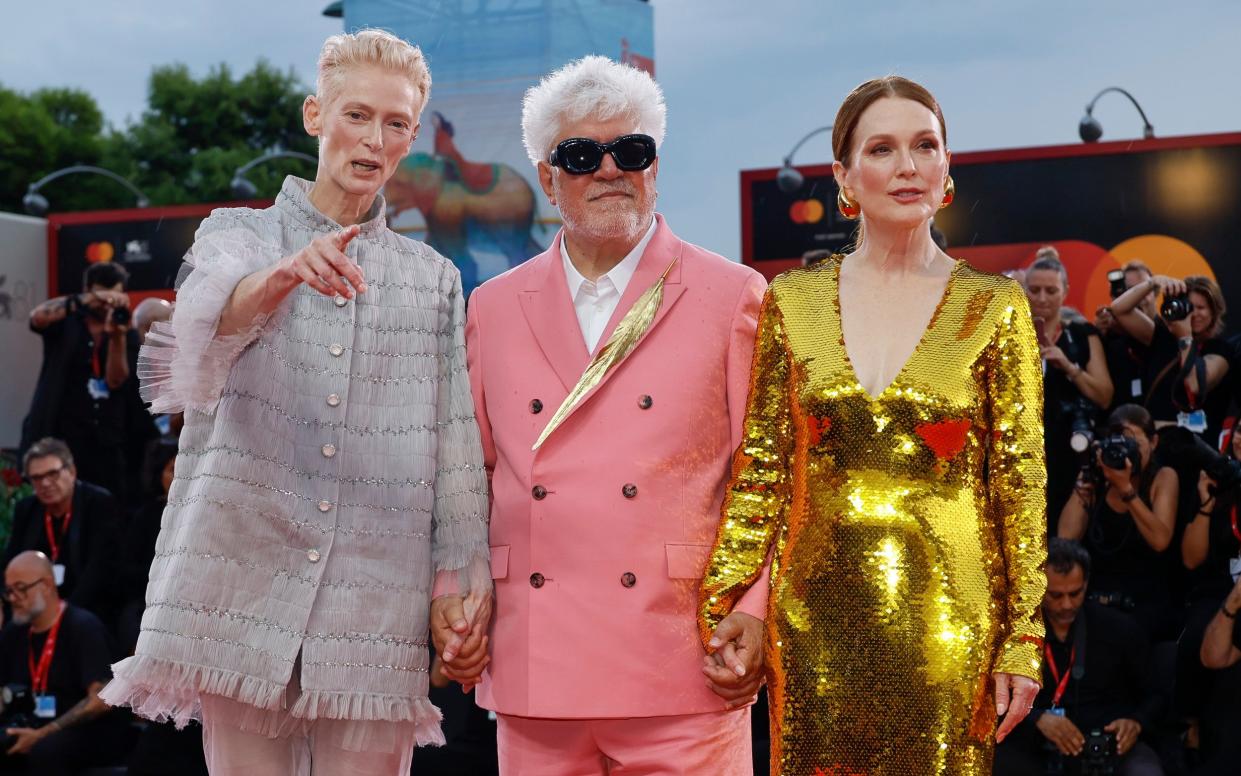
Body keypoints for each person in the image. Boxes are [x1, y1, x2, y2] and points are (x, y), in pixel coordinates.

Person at [98, 29, 492, 775]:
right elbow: (194, 355)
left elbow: (454, 444)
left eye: (396, 123)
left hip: (375, 599)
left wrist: (462, 586)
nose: (374, 139)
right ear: (316, 116)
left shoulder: (433, 278)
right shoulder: (237, 234)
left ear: (412, 138)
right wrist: (277, 278)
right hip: (239, 578)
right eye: (356, 115)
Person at [699, 76, 1046, 775]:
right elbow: (762, 468)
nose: (907, 166)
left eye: (925, 146)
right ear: (844, 177)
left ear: (946, 167)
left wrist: (1021, 639)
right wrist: (731, 598)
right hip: (812, 623)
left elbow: (1020, 486)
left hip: (951, 625)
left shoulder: (994, 308)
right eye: (882, 149)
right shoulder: (790, 304)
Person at [465, 56, 767, 775]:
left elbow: (767, 479)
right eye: (580, 155)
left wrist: (754, 607)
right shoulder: (492, 307)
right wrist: (455, 594)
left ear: (654, 164)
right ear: (546, 178)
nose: (609, 170)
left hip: (686, 657)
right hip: (534, 662)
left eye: (630, 150)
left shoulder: (733, 296)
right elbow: (465, 476)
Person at [993, 539, 1165, 776]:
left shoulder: (1119, 628)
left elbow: (1156, 695)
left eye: (1075, 593)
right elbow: (994, 698)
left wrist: (1135, 723)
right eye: (1055, 595)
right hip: (1035, 747)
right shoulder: (1016, 634)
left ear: (1086, 584)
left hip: (1109, 746)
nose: (1066, 605)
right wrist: (1035, 718)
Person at [0, 551, 128, 774]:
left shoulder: (83, 626)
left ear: (47, 585)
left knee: (46, 751)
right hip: (33, 722)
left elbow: (101, 700)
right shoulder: (14, 633)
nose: (12, 598)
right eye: (8, 591)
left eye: (20, 589)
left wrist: (43, 733)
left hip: (87, 730)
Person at [1057, 404, 1179, 639]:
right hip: (1098, 597)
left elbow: (1160, 540)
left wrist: (1126, 489)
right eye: (1120, 443)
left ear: (1153, 443)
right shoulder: (1101, 476)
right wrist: (1086, 479)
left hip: (1145, 601)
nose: (1127, 454)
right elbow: (1065, 538)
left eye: (1134, 445)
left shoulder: (1164, 477)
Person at [22, 262, 138, 500]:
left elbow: (116, 381)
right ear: (87, 290)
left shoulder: (125, 329)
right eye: (101, 294)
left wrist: (118, 337)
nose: (107, 302)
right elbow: (37, 318)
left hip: (107, 439)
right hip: (60, 433)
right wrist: (83, 301)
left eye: (114, 294)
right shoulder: (66, 320)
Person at [1024, 248, 1114, 530]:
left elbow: (1104, 396)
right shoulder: (1008, 333)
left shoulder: (1083, 336)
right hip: (1022, 459)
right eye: (1035, 289)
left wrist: (1069, 367)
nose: (1041, 298)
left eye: (1050, 290)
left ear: (1065, 291)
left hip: (1072, 455)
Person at [4, 438, 121, 627]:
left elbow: (99, 570)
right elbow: (12, 561)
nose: (45, 483)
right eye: (37, 478)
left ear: (72, 472)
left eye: (52, 474)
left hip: (85, 606)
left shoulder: (99, 504)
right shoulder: (27, 509)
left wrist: (61, 614)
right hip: (34, 607)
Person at [1110, 273, 1232, 446]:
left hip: (1198, 448)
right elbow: (1118, 309)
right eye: (1189, 306)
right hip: (1157, 444)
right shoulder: (1160, 336)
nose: (1194, 314)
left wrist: (1185, 337)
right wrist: (1152, 283)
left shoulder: (1220, 349)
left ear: (1214, 311)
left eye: (1201, 307)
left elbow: (1195, 384)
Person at [1095, 260, 1157, 410]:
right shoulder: (1110, 337)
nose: (1136, 297)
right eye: (1128, 291)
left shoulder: (1168, 332)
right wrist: (1098, 336)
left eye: (1142, 289)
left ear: (1155, 293)